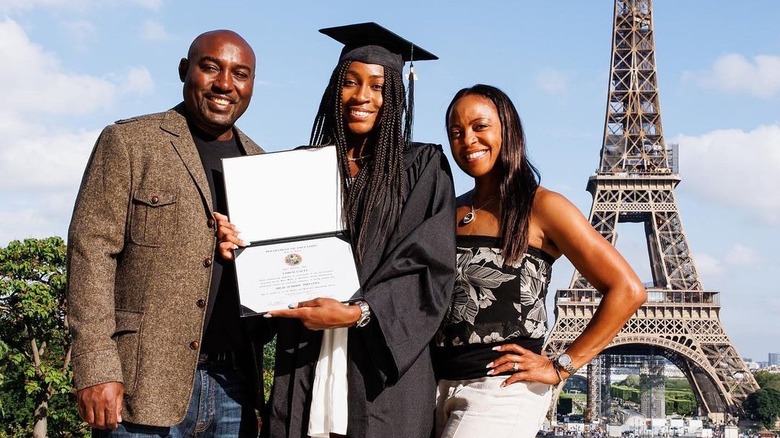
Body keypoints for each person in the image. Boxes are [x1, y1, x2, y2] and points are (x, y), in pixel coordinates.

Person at [217, 22, 457, 438]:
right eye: (350, 82)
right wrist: (239, 251)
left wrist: (356, 314)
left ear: (396, 96)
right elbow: (272, 266)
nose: (362, 96)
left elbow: (428, 270)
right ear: (334, 90)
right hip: (304, 361)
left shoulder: (422, 168)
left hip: (382, 375)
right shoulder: (300, 168)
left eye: (378, 86)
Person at [67, 30, 267, 436]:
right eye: (210, 67)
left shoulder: (262, 165)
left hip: (236, 388)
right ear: (184, 70)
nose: (225, 84)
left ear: (251, 85)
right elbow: (90, 252)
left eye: (240, 74)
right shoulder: (130, 142)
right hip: (139, 386)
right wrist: (95, 367)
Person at [432, 84, 647, 438]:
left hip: (501, 391)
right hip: (437, 383)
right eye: (456, 132)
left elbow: (627, 289)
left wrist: (561, 366)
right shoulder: (449, 210)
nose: (468, 139)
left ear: (508, 130)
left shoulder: (542, 206)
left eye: (480, 126)